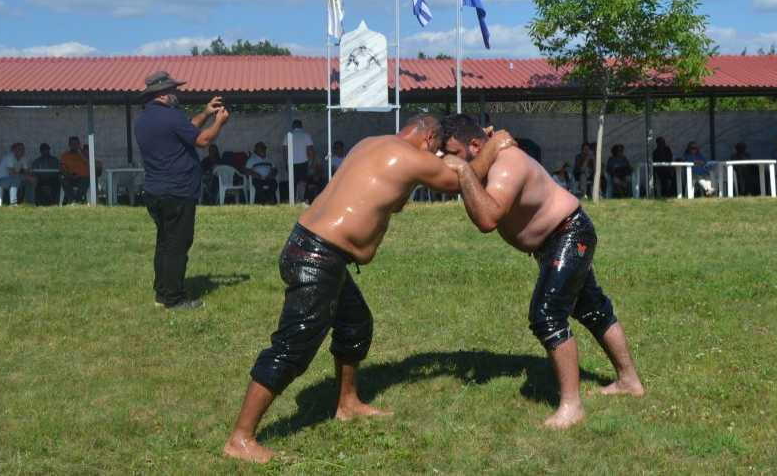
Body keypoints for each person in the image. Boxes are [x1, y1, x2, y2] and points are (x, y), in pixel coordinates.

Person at [223, 115, 515, 464]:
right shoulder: (410, 157)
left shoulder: (371, 144)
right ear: (429, 138)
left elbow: (396, 201)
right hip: (318, 257)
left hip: (312, 248)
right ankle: (240, 438)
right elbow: (462, 181)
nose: (437, 156)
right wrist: (494, 146)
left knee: (355, 325)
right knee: (292, 347)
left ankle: (347, 403)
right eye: (437, 149)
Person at [439, 114, 644, 430]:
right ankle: (629, 382)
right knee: (592, 308)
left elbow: (487, 219)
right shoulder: (487, 156)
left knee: (547, 315)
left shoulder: (506, 165)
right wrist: (463, 163)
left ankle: (572, 406)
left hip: (569, 233)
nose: (450, 160)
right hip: (557, 239)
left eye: (454, 153)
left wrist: (465, 170)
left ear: (476, 145)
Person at [134, 71, 230, 310]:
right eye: (173, 90)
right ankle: (174, 299)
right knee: (177, 245)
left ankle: (162, 292)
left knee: (164, 243)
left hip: (155, 191)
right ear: (162, 94)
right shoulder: (172, 116)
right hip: (177, 191)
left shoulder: (144, 119)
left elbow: (187, 129)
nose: (176, 93)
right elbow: (203, 140)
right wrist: (219, 122)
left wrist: (206, 113)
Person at [282, 120, 315, 202]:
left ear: (293, 126)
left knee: (292, 183)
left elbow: (285, 151)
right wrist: (311, 163)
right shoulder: (306, 135)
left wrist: (286, 163)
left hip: (291, 163)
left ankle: (293, 201)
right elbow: (311, 150)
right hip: (304, 163)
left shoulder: (287, 136)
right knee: (303, 182)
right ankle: (303, 200)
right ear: (301, 126)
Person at [60, 136, 89, 203]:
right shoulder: (65, 155)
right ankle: (73, 199)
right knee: (63, 180)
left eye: (76, 144)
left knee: (86, 180)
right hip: (70, 176)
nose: (74, 146)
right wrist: (69, 175)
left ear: (79, 144)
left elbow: (88, 162)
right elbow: (62, 168)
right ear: (69, 145)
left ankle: (77, 200)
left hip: (82, 177)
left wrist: (80, 153)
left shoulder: (85, 155)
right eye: (72, 144)